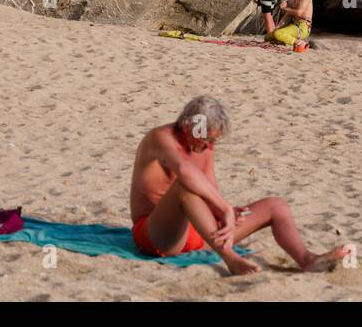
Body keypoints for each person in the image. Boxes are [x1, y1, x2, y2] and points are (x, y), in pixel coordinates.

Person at [129, 96, 347, 275]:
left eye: (214, 140)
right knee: (185, 187)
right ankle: (230, 259)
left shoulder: (205, 148)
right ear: (189, 126)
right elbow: (185, 172)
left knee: (275, 205)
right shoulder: (160, 138)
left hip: (198, 235)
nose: (209, 145)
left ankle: (307, 260)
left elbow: (211, 191)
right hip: (157, 236)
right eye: (206, 139)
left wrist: (227, 213)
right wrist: (224, 208)